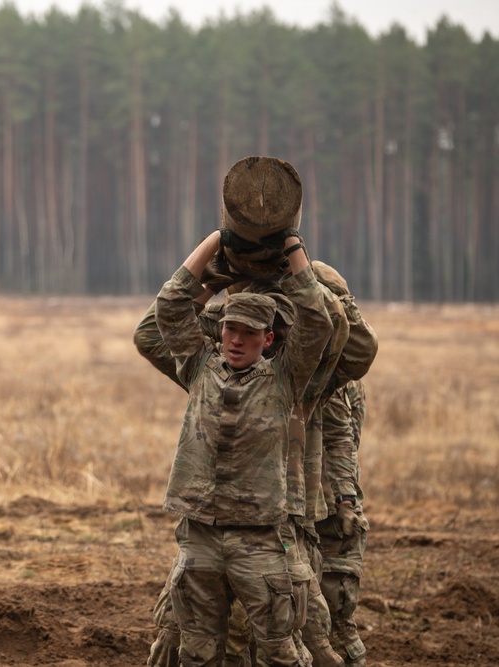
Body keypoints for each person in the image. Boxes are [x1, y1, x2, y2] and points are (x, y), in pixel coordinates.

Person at [152, 229, 332, 667]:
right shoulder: (199, 366)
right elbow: (170, 305)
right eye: (230, 329)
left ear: (266, 340)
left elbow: (317, 322)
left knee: (279, 650)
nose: (235, 340)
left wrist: (292, 249)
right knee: (196, 650)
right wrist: (216, 239)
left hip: (259, 539)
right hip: (201, 534)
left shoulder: (283, 381)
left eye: (248, 333)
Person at [316, 380, 369, 667]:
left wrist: (345, 502)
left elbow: (339, 440)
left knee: (333, 626)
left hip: (330, 512)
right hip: (310, 505)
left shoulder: (333, 374)